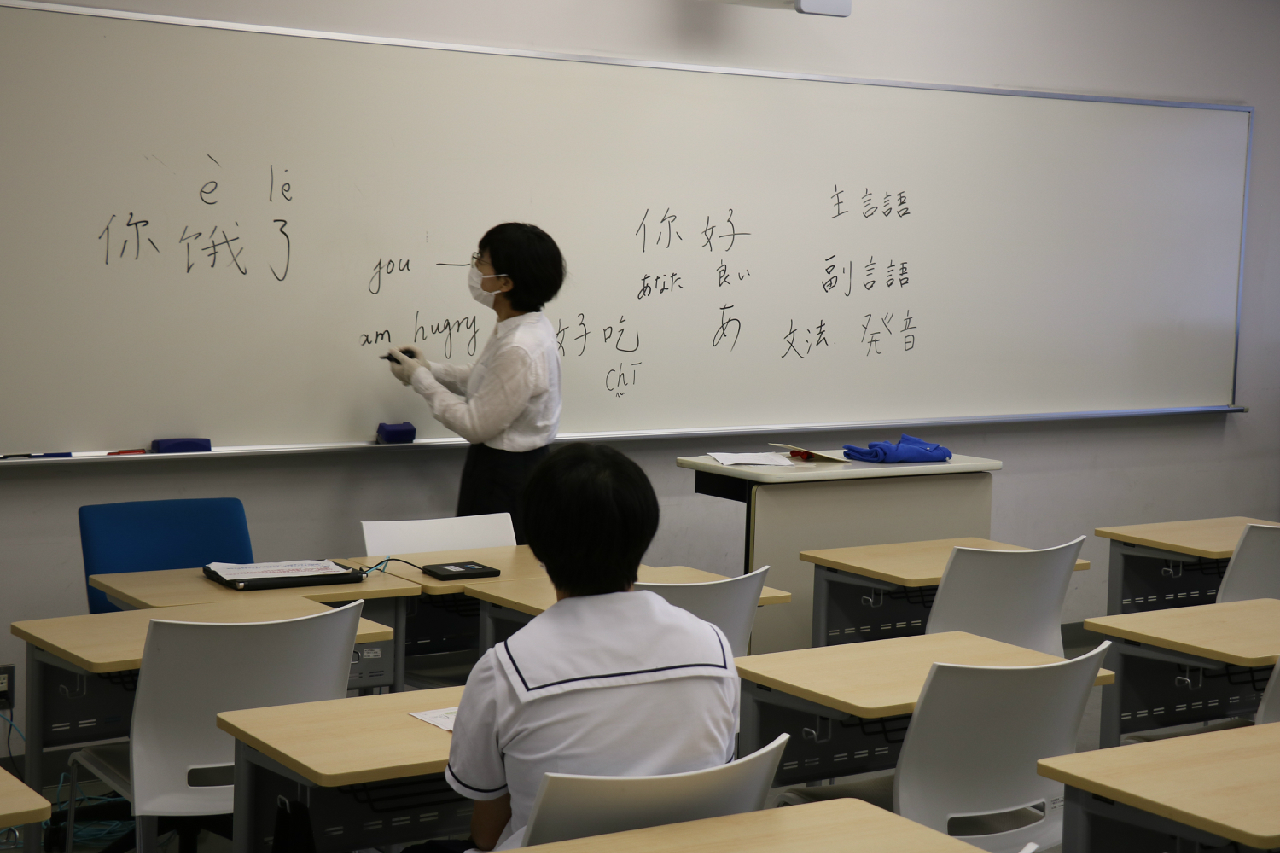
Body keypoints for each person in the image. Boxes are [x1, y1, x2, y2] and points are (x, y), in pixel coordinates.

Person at [443, 443, 740, 851]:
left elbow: (487, 833)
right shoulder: (714, 649)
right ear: (646, 533)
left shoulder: (506, 671)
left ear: (536, 544)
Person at [387, 223, 564, 543]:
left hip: (507, 477)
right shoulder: (521, 327)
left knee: (491, 567)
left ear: (505, 283)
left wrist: (420, 379)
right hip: (505, 469)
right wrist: (430, 369)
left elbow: (475, 424)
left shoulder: (520, 346)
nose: (474, 268)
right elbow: (488, 378)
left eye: (481, 261)